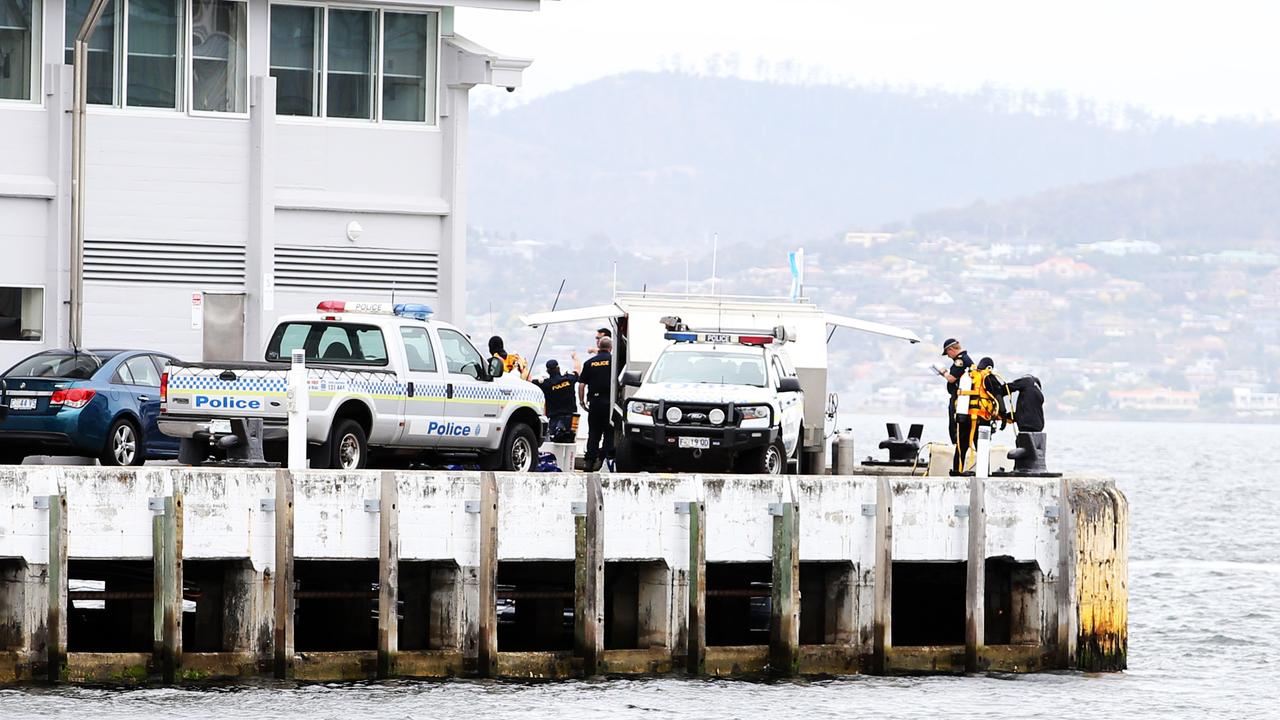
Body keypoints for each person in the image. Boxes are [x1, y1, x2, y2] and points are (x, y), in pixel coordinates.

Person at [954, 356, 1010, 475]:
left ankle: (956, 471)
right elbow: (998, 395)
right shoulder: (988, 377)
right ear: (989, 367)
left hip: (964, 418)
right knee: (982, 449)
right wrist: (1003, 416)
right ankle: (984, 473)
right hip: (981, 420)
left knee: (961, 448)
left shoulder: (968, 376)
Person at [578, 336, 614, 471]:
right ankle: (604, 460)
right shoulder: (613, 362)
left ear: (599, 347)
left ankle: (589, 462)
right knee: (609, 433)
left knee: (593, 433)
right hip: (609, 404)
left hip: (594, 403)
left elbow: (581, 385)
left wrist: (582, 402)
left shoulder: (589, 363)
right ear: (610, 348)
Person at [939, 338, 975, 474]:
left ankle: (957, 469)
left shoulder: (960, 360)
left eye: (948, 353)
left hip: (960, 400)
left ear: (951, 349)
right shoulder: (966, 359)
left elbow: (951, 378)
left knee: (958, 433)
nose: (948, 356)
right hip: (965, 401)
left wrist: (943, 372)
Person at [533, 354, 582, 443]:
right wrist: (575, 357)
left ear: (547, 371)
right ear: (558, 368)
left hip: (554, 418)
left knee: (554, 441)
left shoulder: (545, 384)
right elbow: (578, 369)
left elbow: (528, 380)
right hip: (570, 417)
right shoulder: (569, 379)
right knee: (570, 440)